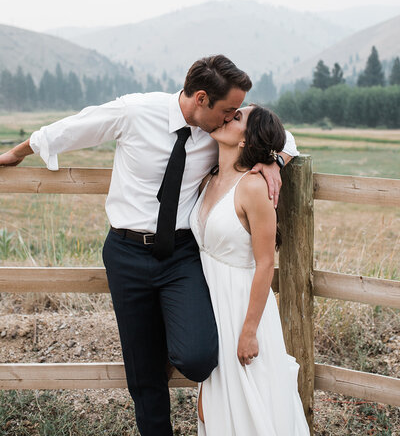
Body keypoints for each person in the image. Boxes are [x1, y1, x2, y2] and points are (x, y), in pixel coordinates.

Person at [0, 55, 298, 436]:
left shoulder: (218, 132)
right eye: (228, 110)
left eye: (236, 112)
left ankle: (166, 337)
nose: (231, 117)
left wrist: (273, 160)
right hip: (126, 253)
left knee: (197, 357)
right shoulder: (136, 112)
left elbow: (281, 137)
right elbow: (71, 128)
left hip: (181, 255)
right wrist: (18, 152)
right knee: (143, 377)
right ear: (202, 98)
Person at [190, 104, 309, 435]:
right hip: (213, 305)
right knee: (215, 408)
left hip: (244, 307)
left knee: (253, 402)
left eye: (237, 117)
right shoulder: (210, 178)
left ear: (246, 140)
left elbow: (265, 263)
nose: (228, 116)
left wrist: (248, 331)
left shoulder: (255, 187)